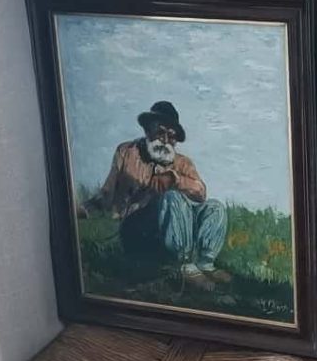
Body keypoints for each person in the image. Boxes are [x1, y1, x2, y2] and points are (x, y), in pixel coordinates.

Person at [80, 101, 229, 290]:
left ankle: (205, 264)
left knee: (215, 207)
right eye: (160, 132)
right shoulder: (127, 152)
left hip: (172, 232)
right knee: (172, 198)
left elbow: (201, 192)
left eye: (172, 136)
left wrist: (175, 179)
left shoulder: (182, 163)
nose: (165, 140)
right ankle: (185, 266)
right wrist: (83, 210)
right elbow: (106, 193)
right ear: (147, 129)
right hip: (138, 230)